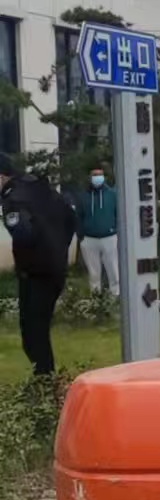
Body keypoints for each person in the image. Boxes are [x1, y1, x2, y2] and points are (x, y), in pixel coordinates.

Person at [0, 155, 76, 377]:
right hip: (55, 269)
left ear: (2, 177)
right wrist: (59, 249)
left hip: (35, 273)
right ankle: (46, 379)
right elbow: (71, 219)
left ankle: (45, 382)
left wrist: (29, 259)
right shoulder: (42, 189)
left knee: (33, 335)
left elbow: (24, 233)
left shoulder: (14, 198)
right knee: (40, 331)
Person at [73, 163, 120, 297]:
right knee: (94, 273)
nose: (97, 177)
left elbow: (118, 214)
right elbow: (78, 216)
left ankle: (115, 296)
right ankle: (96, 298)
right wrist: (81, 235)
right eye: (94, 175)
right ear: (90, 177)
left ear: (104, 176)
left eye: (99, 175)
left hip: (109, 237)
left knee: (113, 271)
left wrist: (116, 230)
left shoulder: (112, 194)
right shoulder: (83, 196)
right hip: (89, 239)